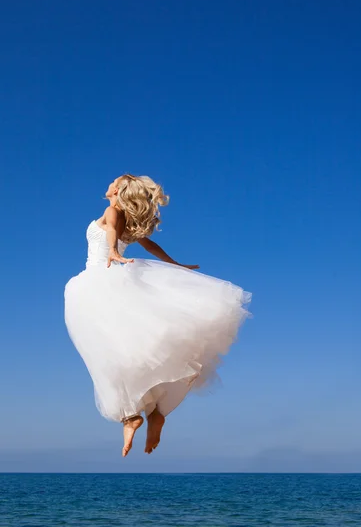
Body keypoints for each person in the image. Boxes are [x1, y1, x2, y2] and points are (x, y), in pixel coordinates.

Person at [64, 174, 251, 457]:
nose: (108, 183)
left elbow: (112, 229)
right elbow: (148, 245)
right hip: (110, 276)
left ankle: (131, 416)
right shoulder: (125, 216)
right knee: (126, 352)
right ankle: (153, 412)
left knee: (110, 355)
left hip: (99, 279)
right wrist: (174, 265)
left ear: (119, 190)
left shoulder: (112, 211)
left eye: (113, 181)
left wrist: (113, 251)